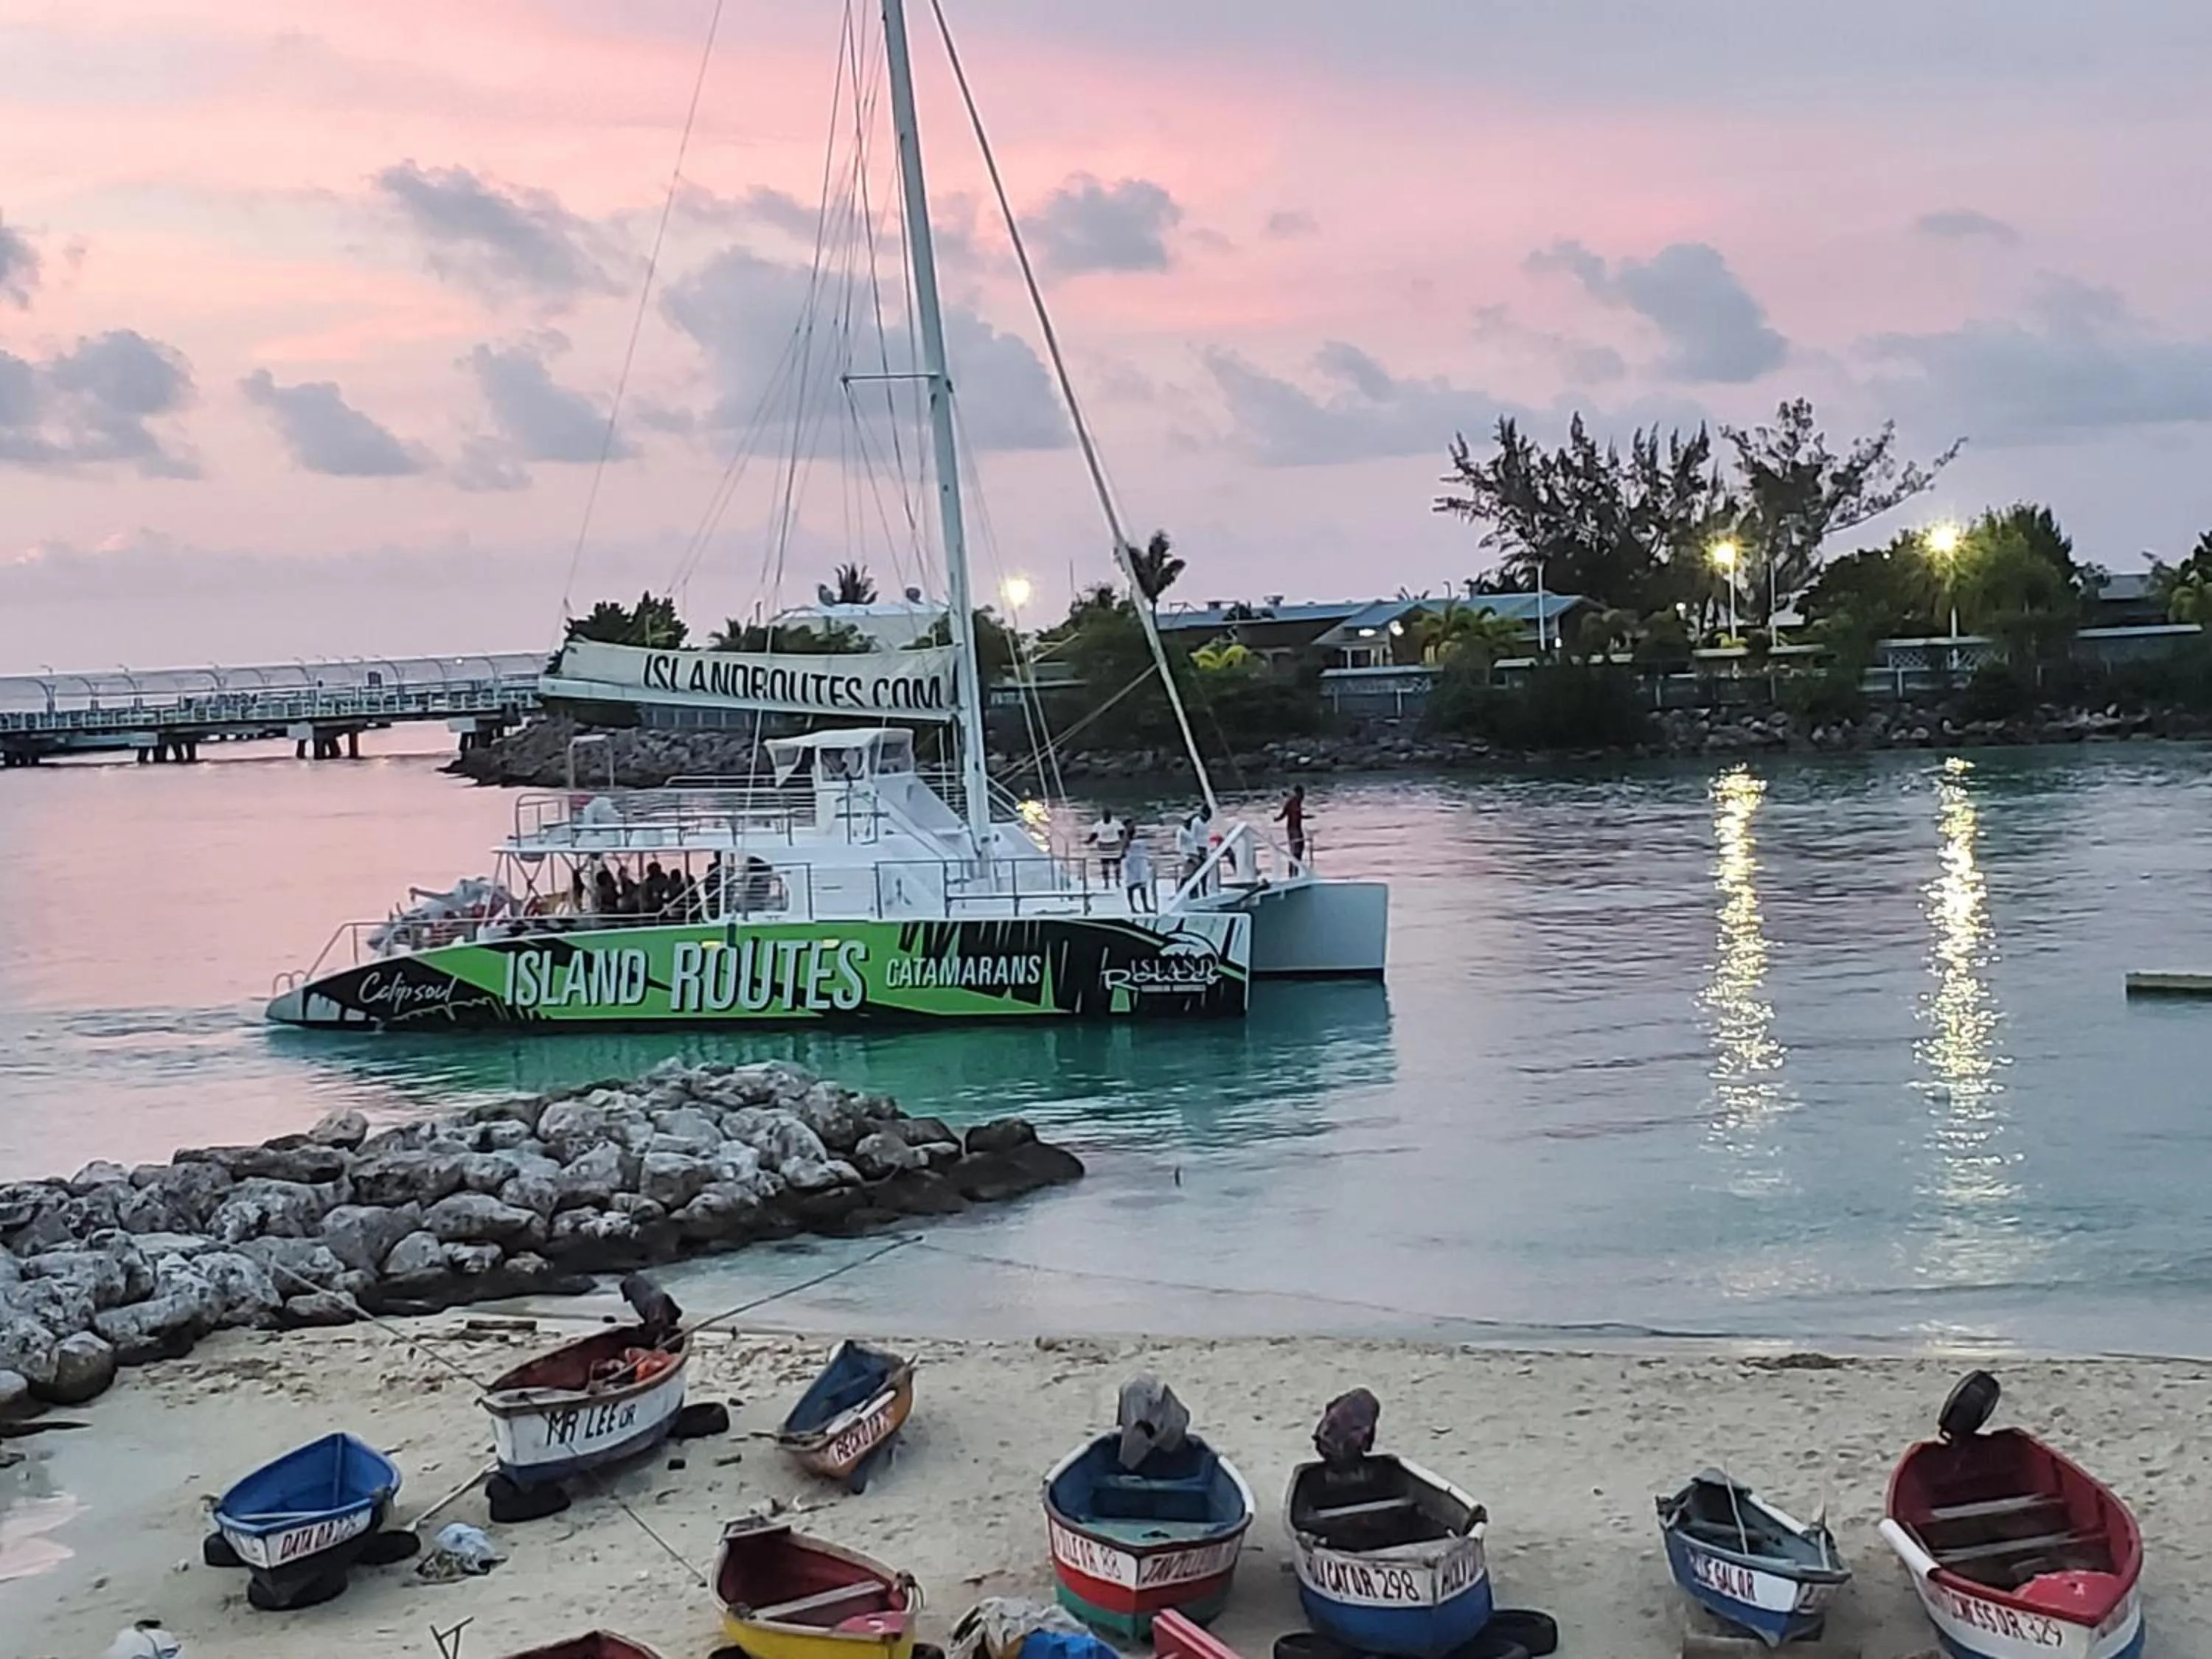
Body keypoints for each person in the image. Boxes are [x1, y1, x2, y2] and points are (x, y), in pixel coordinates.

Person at [1176, 806, 1211, 890]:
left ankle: (1200, 890)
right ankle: (1180, 891)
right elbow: (1179, 845)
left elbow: (1196, 841)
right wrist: (1186, 857)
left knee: (1200, 872)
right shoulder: (1181, 831)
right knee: (1187, 874)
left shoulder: (1190, 830)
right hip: (1189, 854)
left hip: (1195, 853)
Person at [1087, 810, 1126, 884]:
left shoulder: (1117, 824)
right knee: (1105, 866)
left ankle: (1117, 880)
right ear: (1103, 816)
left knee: (1117, 865)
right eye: (1105, 815)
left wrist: (1124, 845)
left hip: (1115, 846)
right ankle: (1106, 882)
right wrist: (1088, 842)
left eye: (1108, 816)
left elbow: (1122, 834)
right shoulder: (1098, 825)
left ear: (1110, 816)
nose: (1106, 817)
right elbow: (1094, 835)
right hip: (1103, 847)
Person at [1277, 784, 1308, 873]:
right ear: (1299, 793)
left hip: (1296, 829)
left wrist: (1305, 817)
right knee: (1296, 851)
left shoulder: (1296, 802)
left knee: (1299, 850)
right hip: (1293, 830)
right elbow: (1285, 814)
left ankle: (1296, 870)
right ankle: (1293, 871)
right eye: (1302, 794)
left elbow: (1295, 815)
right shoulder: (1293, 802)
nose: (1303, 796)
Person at [1121, 829, 1154, 912]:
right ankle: (1132, 907)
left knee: (1143, 884)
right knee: (1131, 885)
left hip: (1141, 862)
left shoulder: (1138, 838)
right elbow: (1123, 850)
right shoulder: (1125, 838)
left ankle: (1146, 906)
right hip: (1132, 862)